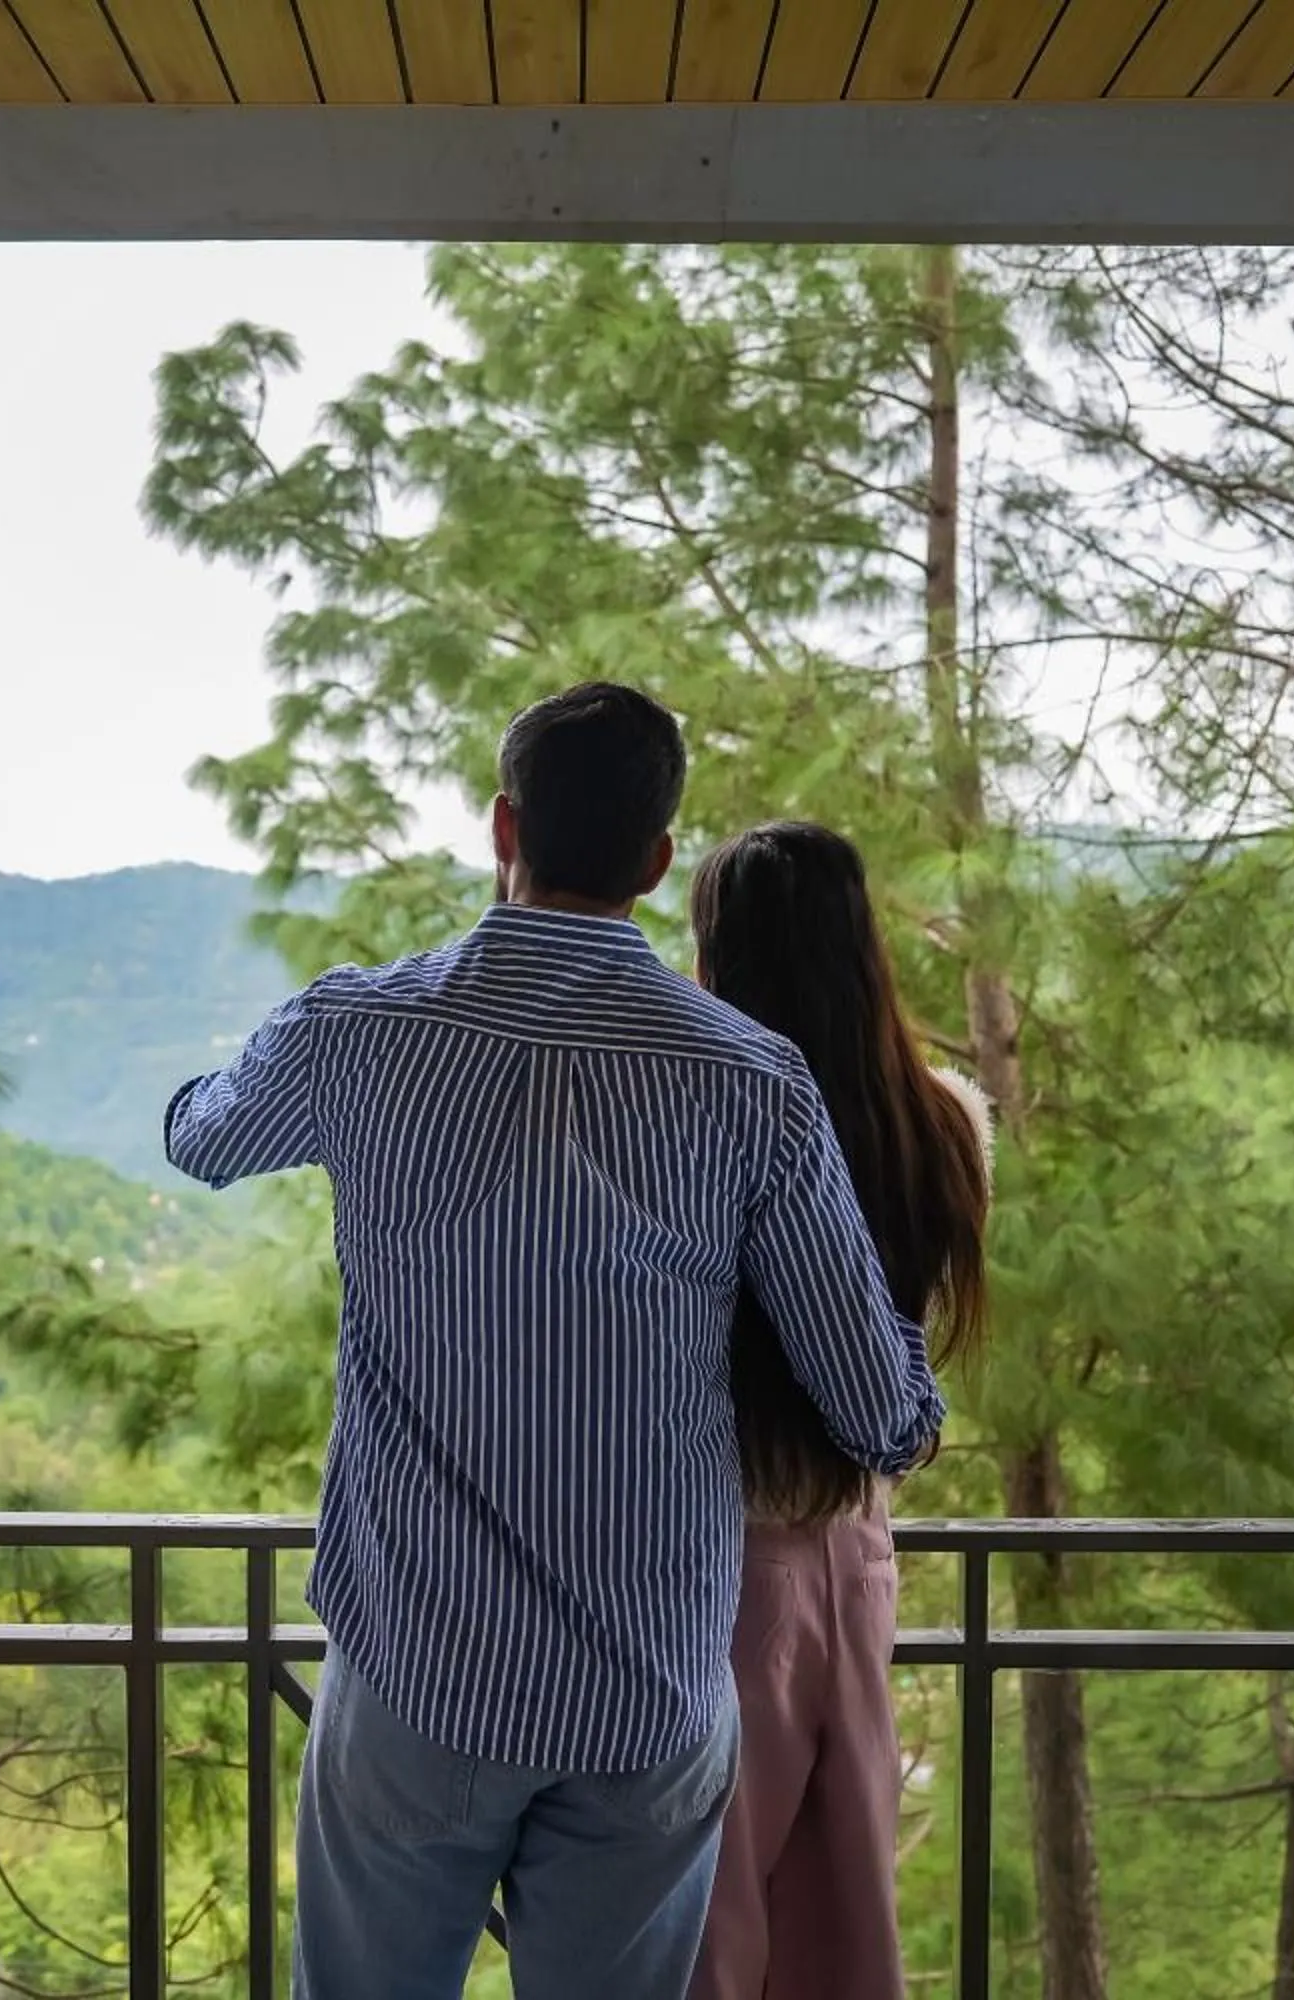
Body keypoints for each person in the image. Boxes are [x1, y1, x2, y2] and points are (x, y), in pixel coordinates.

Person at [166, 685, 947, 2000]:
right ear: (656, 859)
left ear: (500, 826)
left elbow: (204, 1138)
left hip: (415, 1677)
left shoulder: (361, 1028)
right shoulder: (754, 1082)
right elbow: (883, 1419)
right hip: (648, 1700)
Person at [684, 821, 994, 2000]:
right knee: (842, 1923)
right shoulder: (949, 1121)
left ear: (722, 958)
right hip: (860, 1556)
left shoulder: (706, 1123)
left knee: (702, 1934)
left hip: (710, 1565)